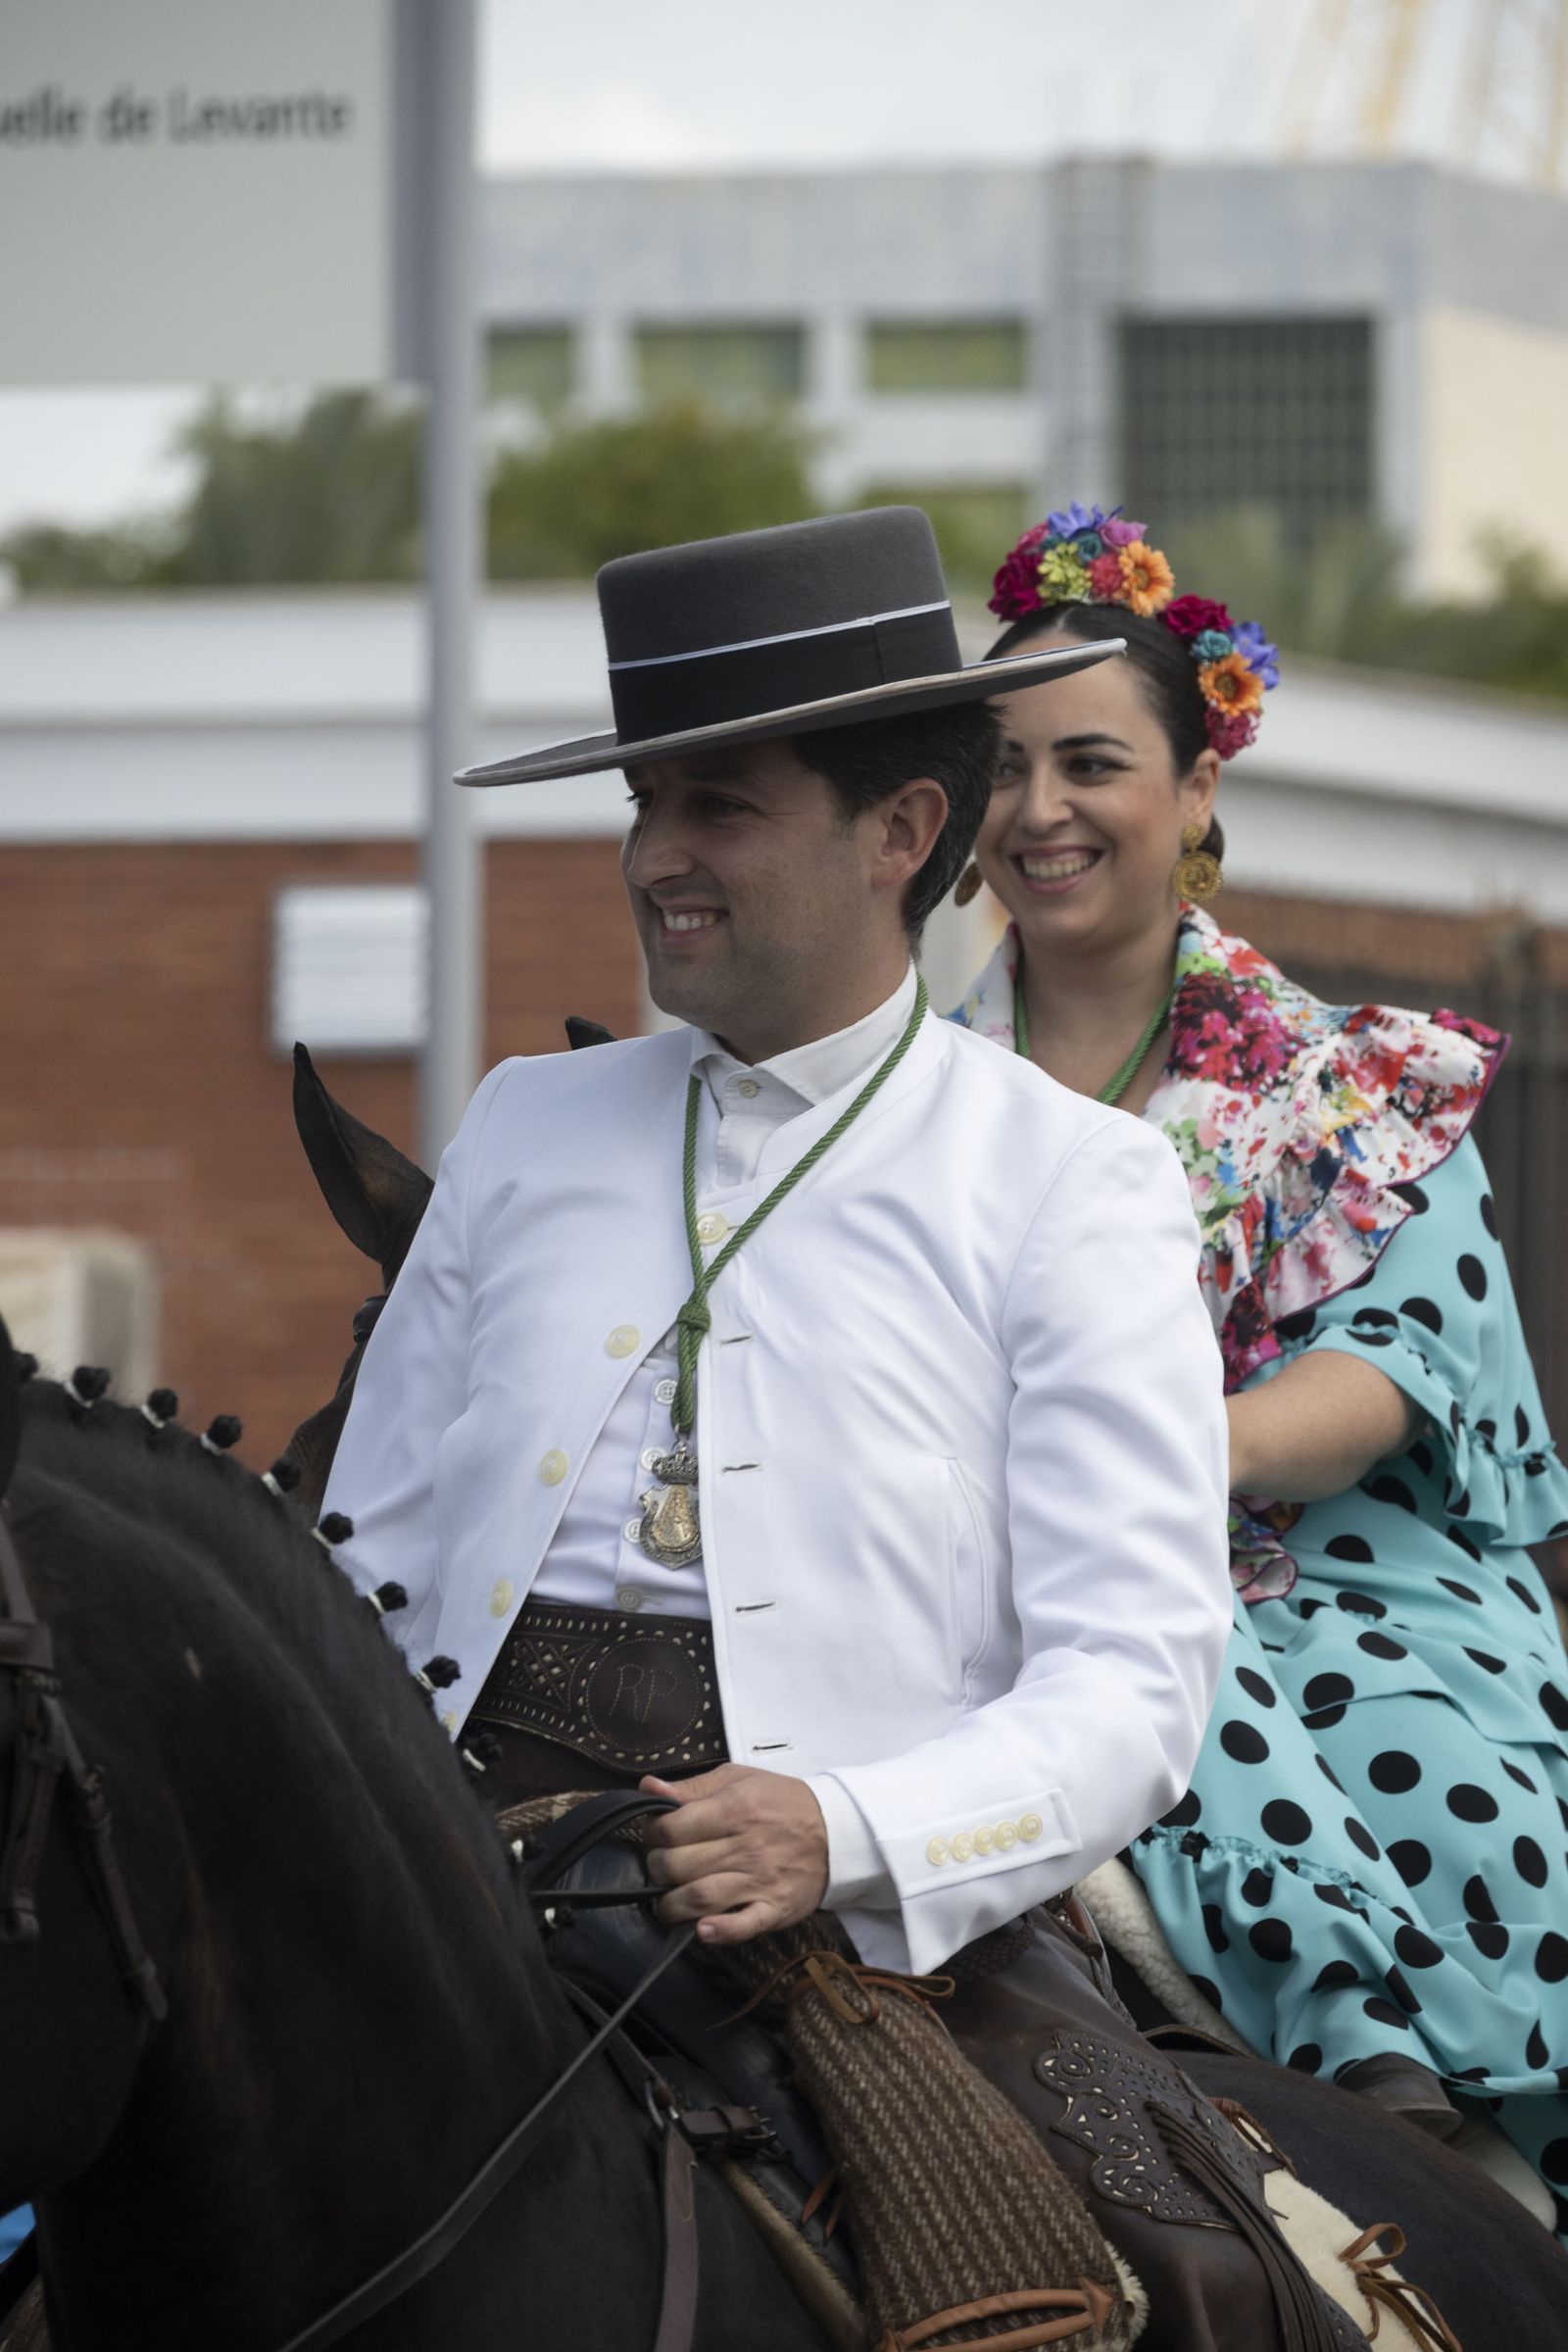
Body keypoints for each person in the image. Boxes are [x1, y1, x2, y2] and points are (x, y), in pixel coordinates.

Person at [323, 512, 1332, 2340]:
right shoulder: (525, 1122)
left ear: (901, 830)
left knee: (1072, 2302)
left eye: (717, 806)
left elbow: (1134, 1678)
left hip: (836, 1925)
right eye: (643, 804)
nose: (655, 855)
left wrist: (845, 1825)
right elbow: (363, 1569)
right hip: (450, 1865)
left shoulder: (1072, 1179)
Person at [952, 500, 1568, 2234]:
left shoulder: (1350, 1082)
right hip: (981, 1574)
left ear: (1198, 787)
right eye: (1001, 769)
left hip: (1340, 1602)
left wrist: (1138, 1458)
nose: (1041, 811)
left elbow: (1391, 1379)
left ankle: (1442, 2137)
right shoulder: (901, 1107)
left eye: (1091, 763)